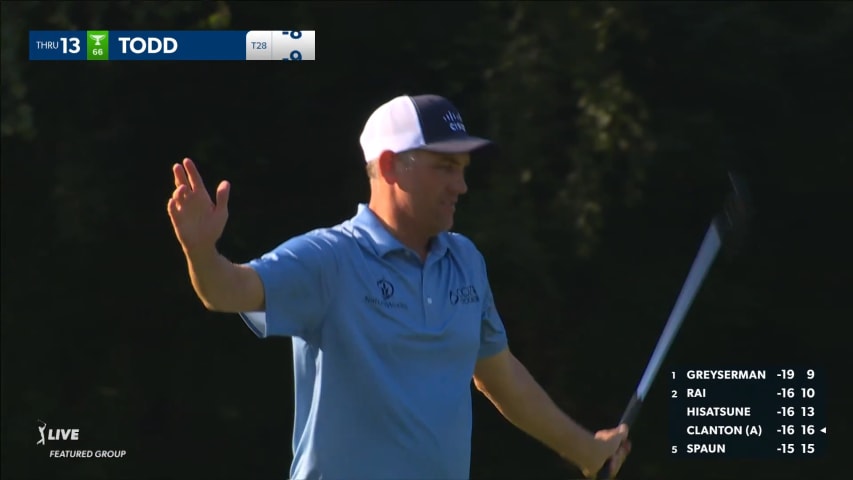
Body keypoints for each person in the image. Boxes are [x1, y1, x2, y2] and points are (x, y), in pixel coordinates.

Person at [167, 94, 631, 479]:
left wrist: (585, 449)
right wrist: (201, 251)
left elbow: (501, 377)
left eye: (463, 168)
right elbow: (225, 292)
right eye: (445, 167)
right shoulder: (329, 259)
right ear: (390, 167)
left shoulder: (466, 261)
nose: (462, 185)